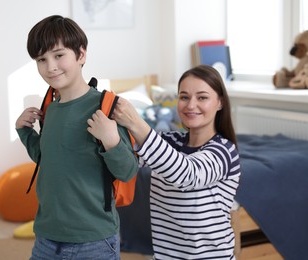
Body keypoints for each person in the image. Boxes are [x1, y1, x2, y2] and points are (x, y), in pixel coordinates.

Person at [15, 15, 138, 260]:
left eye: (58, 55)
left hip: (94, 240)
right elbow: (46, 157)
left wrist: (111, 140)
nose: (50, 66)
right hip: (47, 237)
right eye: (42, 59)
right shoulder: (49, 107)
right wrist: (24, 131)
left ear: (81, 55)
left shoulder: (105, 107)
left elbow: (127, 171)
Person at [87, 65, 241, 259]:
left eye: (202, 97)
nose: (191, 105)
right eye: (184, 97)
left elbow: (186, 175)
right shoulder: (169, 141)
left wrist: (136, 122)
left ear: (220, 102)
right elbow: (126, 161)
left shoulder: (225, 151)